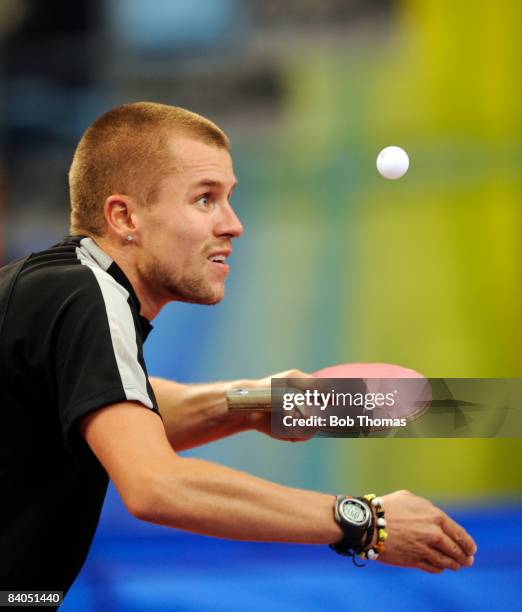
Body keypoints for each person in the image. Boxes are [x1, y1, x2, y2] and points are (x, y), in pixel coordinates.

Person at [0, 102, 476, 601]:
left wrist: (255, 402)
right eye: (205, 199)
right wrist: (362, 520)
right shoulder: (85, 294)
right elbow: (155, 485)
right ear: (124, 217)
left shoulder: (57, 287)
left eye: (229, 198)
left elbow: (121, 414)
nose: (233, 224)